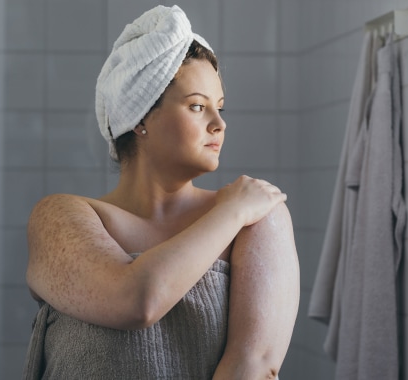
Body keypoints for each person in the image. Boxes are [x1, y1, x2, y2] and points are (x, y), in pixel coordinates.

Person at [23, 5, 299, 379]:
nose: (219, 124)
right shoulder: (59, 216)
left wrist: (239, 212)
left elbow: (253, 366)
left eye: (219, 108)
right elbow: (136, 301)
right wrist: (230, 214)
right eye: (198, 106)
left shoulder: (260, 218)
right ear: (138, 118)